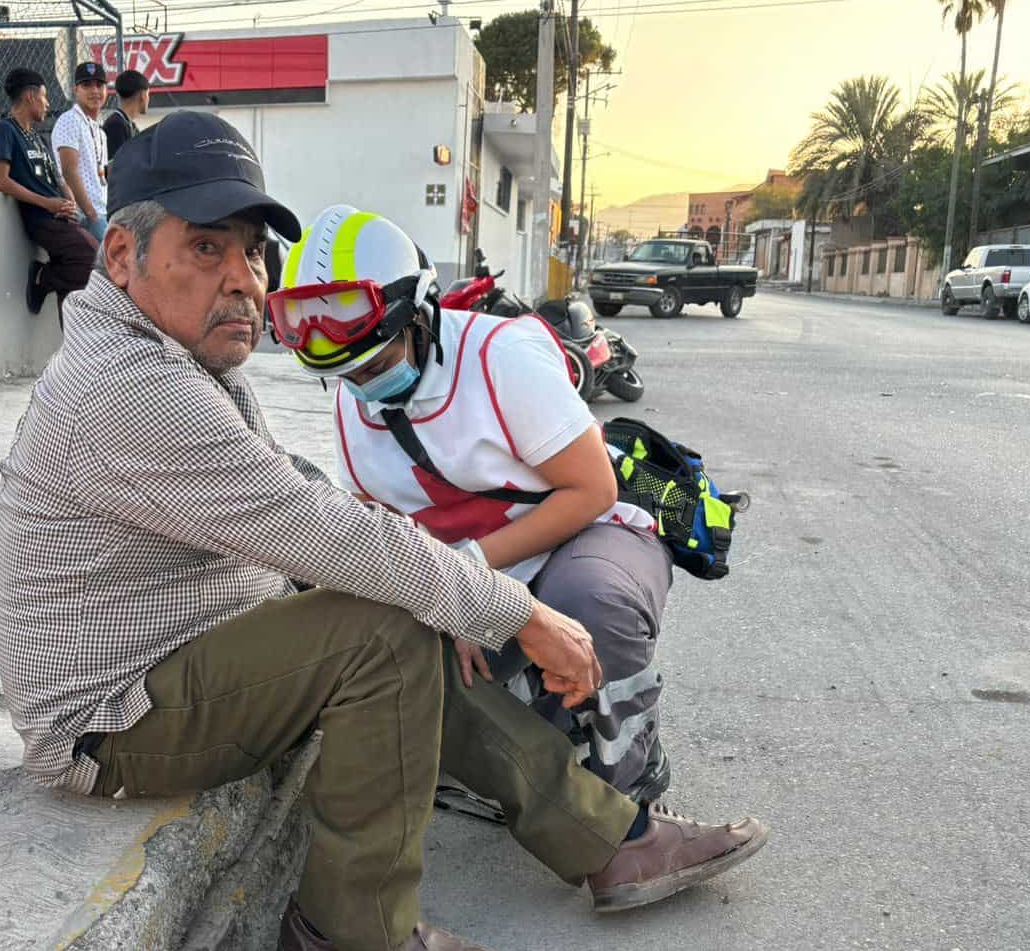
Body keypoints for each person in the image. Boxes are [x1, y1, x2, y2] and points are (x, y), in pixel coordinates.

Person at [0, 111, 769, 951]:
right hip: (111, 717)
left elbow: (300, 497)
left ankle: (609, 840)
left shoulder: (168, 356)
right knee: (379, 623)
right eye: (206, 250)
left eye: (250, 254)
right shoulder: (129, 386)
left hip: (184, 657)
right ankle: (348, 929)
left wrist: (446, 584)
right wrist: (516, 611)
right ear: (122, 258)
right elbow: (315, 529)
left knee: (397, 600)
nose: (241, 282)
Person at [273, 206, 735, 813]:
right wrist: (445, 598)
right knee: (386, 640)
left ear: (420, 317)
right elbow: (376, 523)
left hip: (580, 537)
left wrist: (465, 583)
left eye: (374, 364)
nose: (360, 385)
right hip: (471, 569)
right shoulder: (355, 396)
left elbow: (591, 491)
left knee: (591, 605)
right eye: (343, 375)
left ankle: (631, 783)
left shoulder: (499, 357)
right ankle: (537, 727)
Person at [0, 68, 100, 317]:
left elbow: (58, 177)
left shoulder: (37, 137)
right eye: (44, 96)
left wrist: (69, 199)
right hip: (41, 219)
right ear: (30, 96)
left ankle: (70, 348)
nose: (47, 103)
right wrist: (47, 204)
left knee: (74, 290)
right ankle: (44, 277)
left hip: (60, 217)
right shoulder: (6, 130)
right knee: (92, 257)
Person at [52, 60, 110, 241]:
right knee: (114, 265)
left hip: (101, 212)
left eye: (99, 85)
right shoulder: (70, 120)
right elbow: (69, 170)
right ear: (75, 90)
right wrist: (91, 214)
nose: (94, 91)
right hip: (83, 215)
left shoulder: (99, 131)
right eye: (86, 85)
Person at [101, 69, 149, 162]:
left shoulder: (127, 123)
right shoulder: (116, 125)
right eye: (148, 94)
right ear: (142, 96)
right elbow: (117, 166)